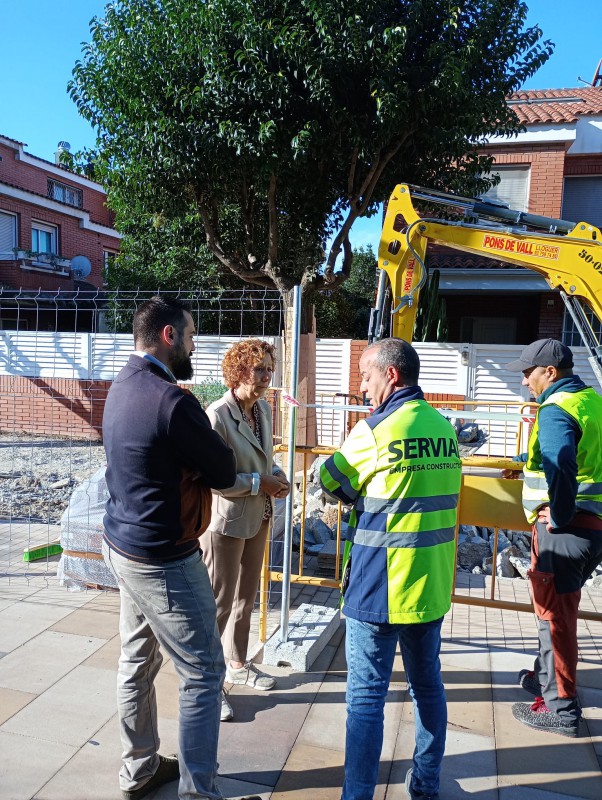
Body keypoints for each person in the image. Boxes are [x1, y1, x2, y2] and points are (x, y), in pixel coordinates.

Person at [101, 296, 260, 800]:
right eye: (190, 335)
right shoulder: (173, 401)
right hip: (163, 557)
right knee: (205, 671)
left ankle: (139, 769)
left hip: (123, 544)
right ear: (169, 336)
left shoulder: (122, 385)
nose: (194, 345)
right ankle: (199, 793)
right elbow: (221, 470)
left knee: (136, 661)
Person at [320, 338, 462, 800]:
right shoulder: (444, 429)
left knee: (365, 701)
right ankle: (425, 784)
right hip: (432, 587)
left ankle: (356, 795)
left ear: (392, 376)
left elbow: (329, 480)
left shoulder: (374, 431)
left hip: (378, 589)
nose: (361, 387)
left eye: (365, 375)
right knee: (428, 688)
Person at [505, 338, 602, 738]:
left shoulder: (555, 408)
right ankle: (545, 678)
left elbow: (562, 462)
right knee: (559, 613)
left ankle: (560, 709)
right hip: (591, 528)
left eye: (529, 373)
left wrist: (559, 516)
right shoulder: (592, 401)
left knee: (554, 621)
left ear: (550, 372)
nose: (525, 381)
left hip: (565, 530)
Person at [201, 339, 290, 722]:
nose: (267, 376)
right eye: (260, 369)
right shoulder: (217, 415)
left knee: (246, 598)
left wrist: (278, 477)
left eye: (270, 369)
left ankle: (237, 662)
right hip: (227, 522)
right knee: (217, 604)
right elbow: (215, 478)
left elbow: (264, 459)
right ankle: (207, 686)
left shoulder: (264, 410)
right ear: (239, 372)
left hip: (260, 515)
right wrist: (260, 484)